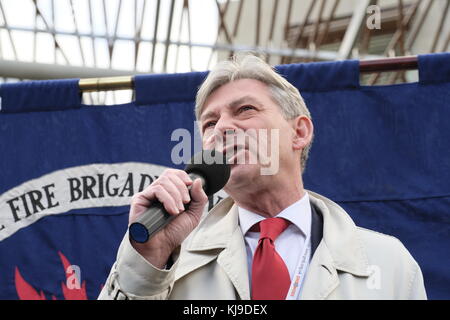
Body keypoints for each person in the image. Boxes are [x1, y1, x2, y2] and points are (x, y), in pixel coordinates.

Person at [98, 53, 427, 300]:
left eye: (245, 110)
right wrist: (147, 260)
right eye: (210, 124)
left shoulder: (388, 263)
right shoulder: (167, 261)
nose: (223, 128)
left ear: (299, 132)